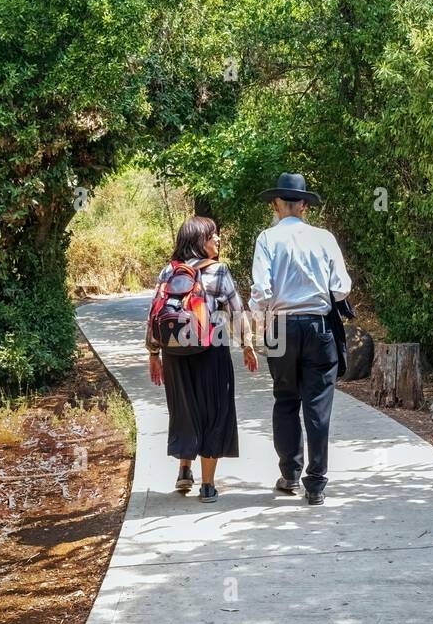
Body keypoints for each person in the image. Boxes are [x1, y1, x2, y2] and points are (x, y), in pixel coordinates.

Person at [250, 173, 352, 506]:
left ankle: (290, 474)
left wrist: (255, 323)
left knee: (285, 399)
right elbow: (341, 288)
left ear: (277, 204)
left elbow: (261, 291)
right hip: (319, 326)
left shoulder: (267, 238)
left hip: (280, 327)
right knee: (317, 405)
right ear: (305, 205)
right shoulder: (324, 238)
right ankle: (316, 483)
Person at [147, 216, 258, 502]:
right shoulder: (218, 271)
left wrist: (154, 354)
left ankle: (184, 470)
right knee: (214, 413)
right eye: (213, 236)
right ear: (200, 241)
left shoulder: (168, 271)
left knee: (183, 410)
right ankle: (208, 486)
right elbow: (236, 311)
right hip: (212, 352)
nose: (218, 240)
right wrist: (247, 344)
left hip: (174, 354)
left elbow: (154, 315)